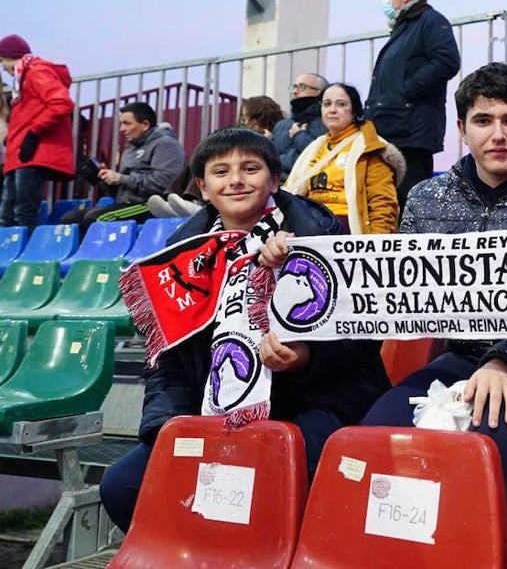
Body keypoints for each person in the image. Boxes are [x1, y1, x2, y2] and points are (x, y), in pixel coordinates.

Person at [98, 127, 389, 532]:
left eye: (250, 168)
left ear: (274, 179)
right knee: (123, 487)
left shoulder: (322, 237)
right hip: (213, 411)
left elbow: (363, 334)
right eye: (221, 172)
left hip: (315, 400)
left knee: (279, 474)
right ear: (202, 187)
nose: (236, 180)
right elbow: (167, 363)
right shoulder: (179, 259)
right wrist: (172, 428)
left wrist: (306, 357)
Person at [361, 62, 507, 557]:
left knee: (493, 445)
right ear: (462, 129)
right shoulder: (426, 198)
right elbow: (396, 292)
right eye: (483, 120)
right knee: (373, 433)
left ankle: (493, 553)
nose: (498, 135)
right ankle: (393, 552)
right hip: (459, 358)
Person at [362, 0, 461, 214]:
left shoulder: (429, 21)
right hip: (393, 128)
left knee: (410, 204)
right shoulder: (406, 27)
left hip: (411, 132)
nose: (384, 1)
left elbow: (447, 61)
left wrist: (405, 92)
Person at [284, 83, 404, 235]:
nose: (332, 110)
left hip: (346, 231)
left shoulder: (369, 148)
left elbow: (382, 204)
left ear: (354, 111)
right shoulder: (314, 148)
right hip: (309, 224)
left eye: (341, 104)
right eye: (327, 104)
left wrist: (376, 246)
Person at [64, 102, 185, 230]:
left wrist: (121, 178)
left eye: (127, 123)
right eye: (121, 124)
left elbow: (164, 183)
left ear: (145, 125)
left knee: (97, 218)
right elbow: (121, 191)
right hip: (125, 204)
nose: (121, 129)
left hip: (150, 204)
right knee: (70, 218)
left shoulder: (166, 144)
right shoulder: (129, 149)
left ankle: (97, 250)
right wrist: (106, 180)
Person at [0, 34, 74, 230]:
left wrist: (33, 133)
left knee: (23, 211)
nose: (3, 68)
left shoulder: (36, 72)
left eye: (2, 61)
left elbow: (61, 103)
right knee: (8, 213)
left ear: (9, 57)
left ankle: (26, 257)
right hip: (21, 154)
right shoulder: (23, 78)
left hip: (33, 153)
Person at [273, 72, 328, 175]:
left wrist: (299, 136)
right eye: (294, 87)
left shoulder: (327, 124)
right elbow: (268, 158)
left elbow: (321, 157)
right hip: (280, 185)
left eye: (302, 87)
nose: (295, 91)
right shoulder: (281, 125)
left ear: (320, 93)